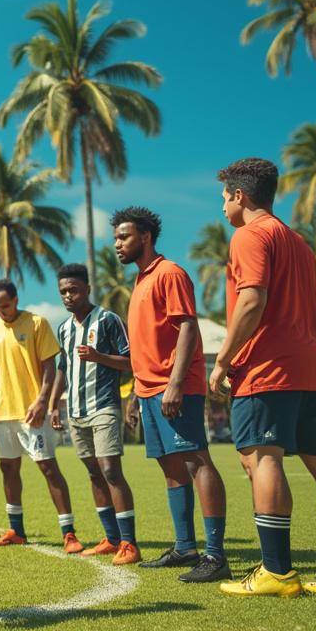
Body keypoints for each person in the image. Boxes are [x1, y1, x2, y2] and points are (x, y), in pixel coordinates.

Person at [210, 159, 316, 597]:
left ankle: (277, 572)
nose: (222, 207)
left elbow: (251, 302)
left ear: (240, 195)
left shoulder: (249, 235)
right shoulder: (300, 244)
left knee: (264, 459)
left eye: (223, 198)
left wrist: (222, 362)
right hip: (311, 369)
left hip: (268, 369)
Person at [112, 206, 230, 583]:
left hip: (174, 387)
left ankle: (215, 555)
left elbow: (187, 329)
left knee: (197, 461)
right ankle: (185, 547)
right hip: (148, 390)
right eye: (116, 238)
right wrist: (135, 393)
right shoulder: (141, 281)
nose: (117, 244)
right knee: (170, 467)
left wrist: (176, 384)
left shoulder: (170, 273)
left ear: (145, 237)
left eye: (124, 237)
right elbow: (147, 344)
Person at [47, 263, 140, 565]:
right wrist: (54, 404)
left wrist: (99, 357)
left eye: (73, 289)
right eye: (63, 291)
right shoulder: (63, 328)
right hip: (75, 411)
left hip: (104, 406)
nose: (68, 296)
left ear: (87, 288)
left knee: (111, 470)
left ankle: (129, 543)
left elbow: (131, 363)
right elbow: (63, 369)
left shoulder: (108, 320)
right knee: (93, 472)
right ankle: (111, 539)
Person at [0, 278, 82, 554]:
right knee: (8, 468)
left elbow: (49, 365)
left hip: (32, 412)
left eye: (5, 305)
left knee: (48, 468)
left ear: (15, 299)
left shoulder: (37, 323)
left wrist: (42, 401)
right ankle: (16, 530)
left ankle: (69, 533)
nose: (2, 311)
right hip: (3, 414)